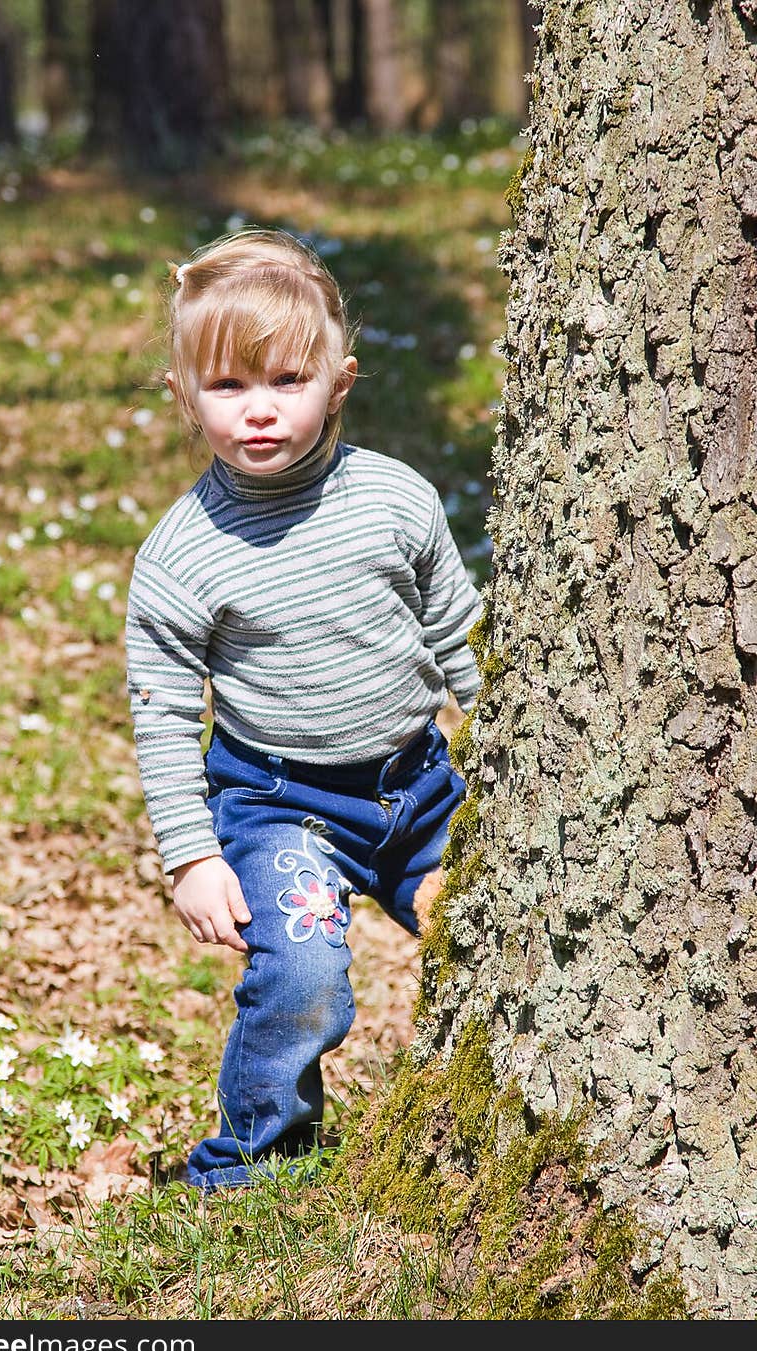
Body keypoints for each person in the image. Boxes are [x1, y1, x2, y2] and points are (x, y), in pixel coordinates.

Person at [125, 226, 483, 1192]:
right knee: (302, 979)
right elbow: (160, 711)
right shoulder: (182, 554)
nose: (259, 412)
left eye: (286, 381)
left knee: (497, 925)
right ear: (184, 396)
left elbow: (460, 632)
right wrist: (192, 855)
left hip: (419, 788)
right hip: (281, 806)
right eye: (228, 388)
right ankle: (253, 1158)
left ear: (342, 379)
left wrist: (501, 730)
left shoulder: (396, 500)